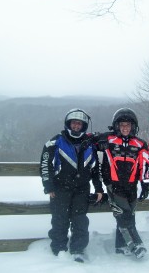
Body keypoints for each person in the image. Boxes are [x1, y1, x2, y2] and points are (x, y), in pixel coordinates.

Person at [39, 108, 104, 263]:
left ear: (84, 126)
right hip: (60, 189)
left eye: (79, 124)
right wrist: (48, 186)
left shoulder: (89, 145)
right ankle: (59, 249)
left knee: (80, 220)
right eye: (74, 123)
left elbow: (95, 169)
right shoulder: (55, 142)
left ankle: (78, 249)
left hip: (82, 189)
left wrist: (99, 188)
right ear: (68, 124)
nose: (76, 126)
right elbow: (45, 164)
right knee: (59, 219)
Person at [98, 108, 149, 259]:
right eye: (122, 125)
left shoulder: (140, 144)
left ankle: (121, 246)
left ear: (133, 126)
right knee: (123, 214)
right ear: (116, 126)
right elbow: (88, 138)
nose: (125, 128)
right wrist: (101, 137)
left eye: (128, 125)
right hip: (113, 185)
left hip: (132, 185)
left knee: (130, 215)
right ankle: (136, 245)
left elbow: (145, 165)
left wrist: (146, 185)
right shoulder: (109, 140)